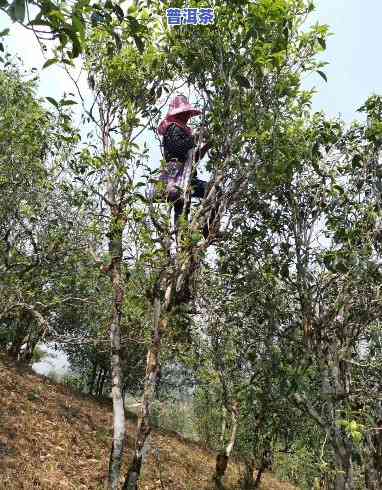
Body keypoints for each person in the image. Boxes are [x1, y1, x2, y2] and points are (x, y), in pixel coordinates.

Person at [156, 95, 211, 238]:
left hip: (185, 177)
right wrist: (194, 137)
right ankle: (204, 230)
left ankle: (188, 239)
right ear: (178, 113)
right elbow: (176, 149)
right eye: (183, 113)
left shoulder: (183, 131)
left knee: (182, 209)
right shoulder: (173, 128)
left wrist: (206, 146)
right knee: (210, 190)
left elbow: (191, 158)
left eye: (187, 113)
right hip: (177, 177)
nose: (186, 116)